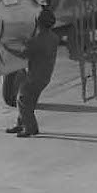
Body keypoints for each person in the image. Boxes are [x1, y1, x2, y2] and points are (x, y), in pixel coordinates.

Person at [5, 8, 60, 138]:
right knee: (28, 101)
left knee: (22, 99)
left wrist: (7, 48)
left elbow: (23, 54)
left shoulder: (38, 40)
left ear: (38, 23)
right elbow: (36, 47)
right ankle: (22, 124)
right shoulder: (53, 37)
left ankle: (30, 128)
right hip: (45, 76)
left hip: (35, 77)